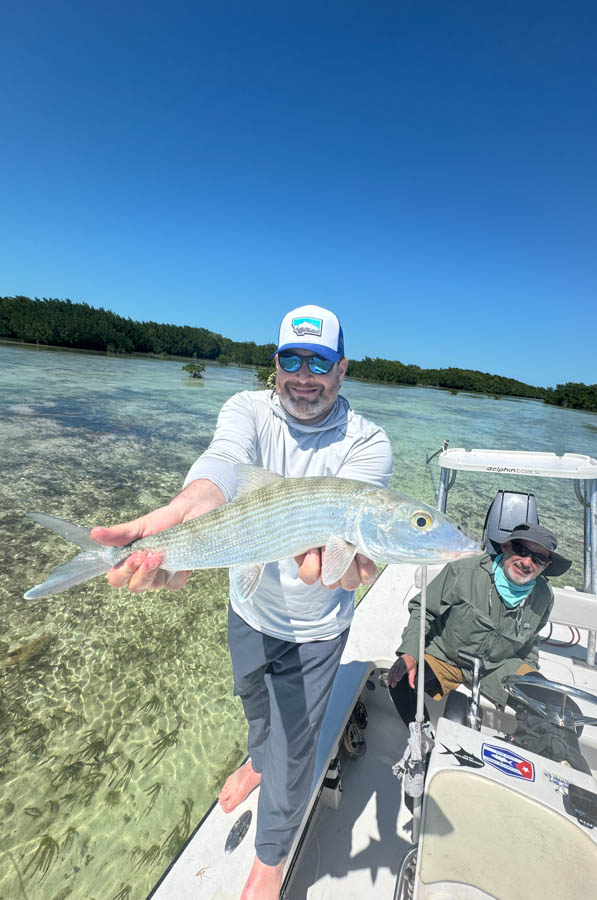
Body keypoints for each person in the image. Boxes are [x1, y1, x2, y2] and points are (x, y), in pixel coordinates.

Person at [91, 304, 392, 900]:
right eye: (292, 360)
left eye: (320, 362)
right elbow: (223, 465)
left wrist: (340, 562)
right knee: (253, 703)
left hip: (316, 629)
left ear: (342, 368)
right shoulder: (248, 409)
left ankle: (271, 858)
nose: (304, 376)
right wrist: (189, 507)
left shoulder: (369, 443)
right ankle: (256, 760)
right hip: (247, 607)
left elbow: (339, 555)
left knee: (293, 747)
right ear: (275, 362)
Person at [387, 522, 572, 722]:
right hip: (445, 656)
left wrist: (528, 681)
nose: (527, 563)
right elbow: (422, 611)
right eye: (521, 550)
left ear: (546, 565)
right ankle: (424, 738)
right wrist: (410, 653)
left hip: (497, 667)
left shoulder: (544, 596)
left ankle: (517, 747)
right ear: (506, 546)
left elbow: (530, 641)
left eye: (538, 559)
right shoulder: (464, 571)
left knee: (564, 712)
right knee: (400, 679)